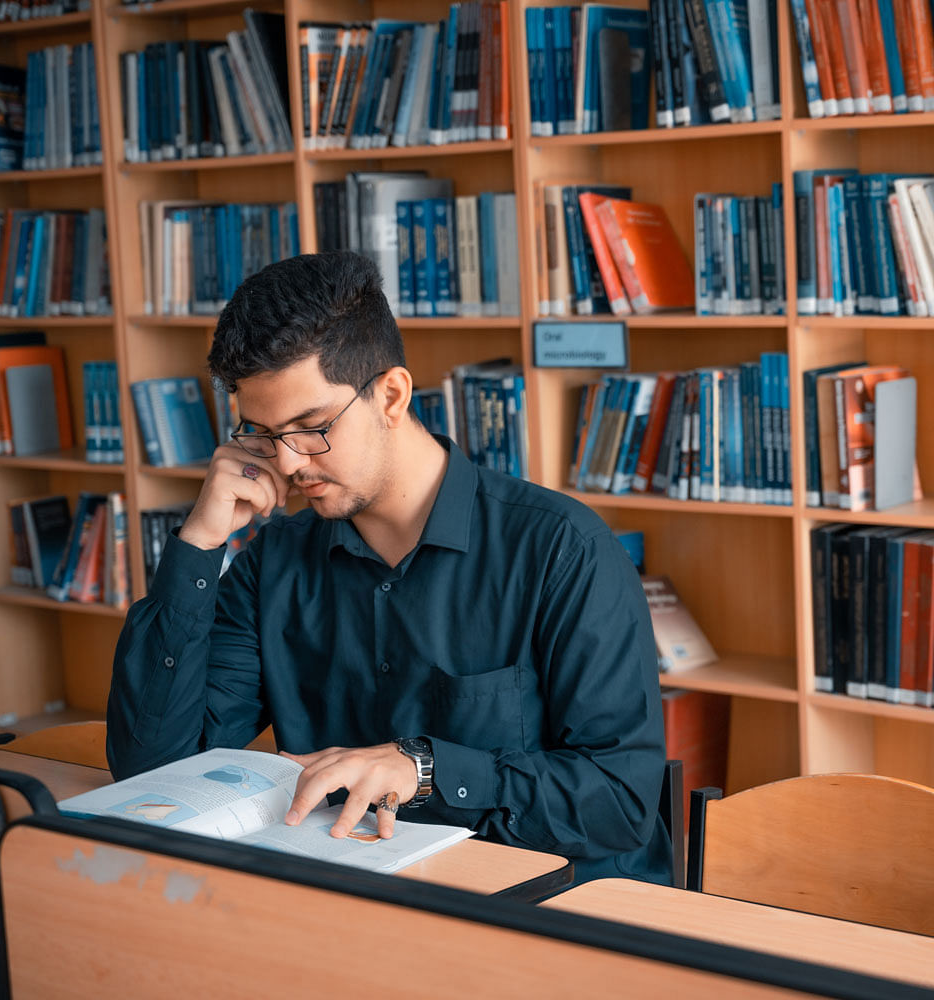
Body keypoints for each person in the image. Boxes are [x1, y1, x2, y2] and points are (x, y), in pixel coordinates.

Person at [106, 251, 671, 885]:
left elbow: (619, 803)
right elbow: (157, 772)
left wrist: (424, 771)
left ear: (392, 395)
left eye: (312, 426)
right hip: (354, 901)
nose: (287, 465)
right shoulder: (274, 562)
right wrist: (200, 542)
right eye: (263, 433)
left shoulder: (563, 549)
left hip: (544, 914)